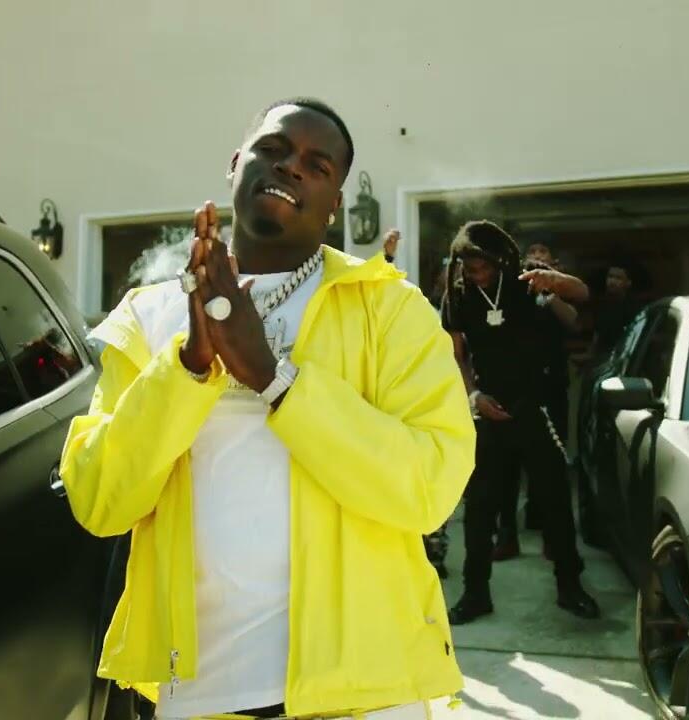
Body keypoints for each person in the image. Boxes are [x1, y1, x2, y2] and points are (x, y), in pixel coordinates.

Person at [59, 98, 475, 720]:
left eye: (317, 164)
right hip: (202, 694)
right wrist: (188, 366)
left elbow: (431, 486)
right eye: (273, 149)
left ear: (335, 204)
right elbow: (99, 500)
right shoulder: (149, 316)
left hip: (368, 694)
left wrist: (273, 378)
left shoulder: (390, 309)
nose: (290, 167)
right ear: (236, 165)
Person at [442, 220, 600, 625]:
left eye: (482, 267)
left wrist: (556, 281)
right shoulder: (458, 294)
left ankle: (570, 586)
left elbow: (582, 298)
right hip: (488, 409)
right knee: (480, 509)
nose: (476, 275)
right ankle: (475, 593)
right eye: (469, 268)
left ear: (498, 261)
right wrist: (473, 396)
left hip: (534, 404)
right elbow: (455, 354)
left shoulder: (526, 281)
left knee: (555, 500)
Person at [493, 253, 582, 562]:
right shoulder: (508, 299)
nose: (533, 275)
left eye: (540, 269)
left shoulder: (554, 300)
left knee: (550, 471)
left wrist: (549, 293)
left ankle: (551, 538)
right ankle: (507, 537)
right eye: (528, 269)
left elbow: (574, 322)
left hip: (549, 392)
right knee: (506, 470)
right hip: (511, 393)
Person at [381, 227, 451, 580]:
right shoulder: (406, 306)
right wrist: (387, 258)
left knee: (433, 484)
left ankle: (435, 555)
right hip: (397, 407)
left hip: (433, 406)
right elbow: (380, 290)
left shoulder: (448, 312)